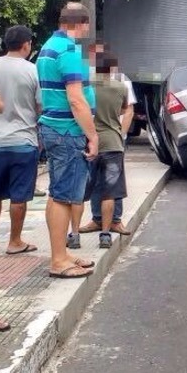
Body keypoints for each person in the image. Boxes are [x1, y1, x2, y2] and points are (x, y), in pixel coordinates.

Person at [37, 2, 97, 278]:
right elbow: (76, 99)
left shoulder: (48, 47)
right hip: (67, 132)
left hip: (54, 129)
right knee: (63, 197)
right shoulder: (69, 51)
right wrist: (92, 135)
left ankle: (61, 253)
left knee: (57, 194)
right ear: (82, 23)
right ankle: (59, 261)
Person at [0, 25, 41, 257]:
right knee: (19, 196)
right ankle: (14, 241)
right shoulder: (32, 70)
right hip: (23, 141)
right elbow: (40, 105)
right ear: (26, 45)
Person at [79, 41, 134, 236]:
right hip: (113, 142)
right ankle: (109, 226)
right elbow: (125, 109)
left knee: (93, 184)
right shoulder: (121, 87)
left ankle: (94, 220)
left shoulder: (85, 86)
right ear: (111, 66)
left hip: (91, 142)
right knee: (112, 188)